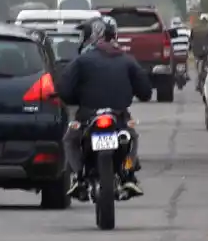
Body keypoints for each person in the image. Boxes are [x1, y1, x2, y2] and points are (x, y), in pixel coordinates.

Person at [56, 16, 150, 201]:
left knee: (69, 139)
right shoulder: (127, 60)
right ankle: (128, 172)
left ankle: (79, 176)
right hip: (118, 116)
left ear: (92, 35)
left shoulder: (81, 61)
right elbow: (145, 91)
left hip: (88, 115)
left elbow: (64, 90)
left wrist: (76, 99)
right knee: (131, 137)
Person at [189, 14, 208, 91]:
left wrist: (190, 48)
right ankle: (206, 81)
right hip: (207, 51)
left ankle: (199, 82)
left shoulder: (194, 28)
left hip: (197, 52)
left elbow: (191, 40)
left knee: (198, 67)